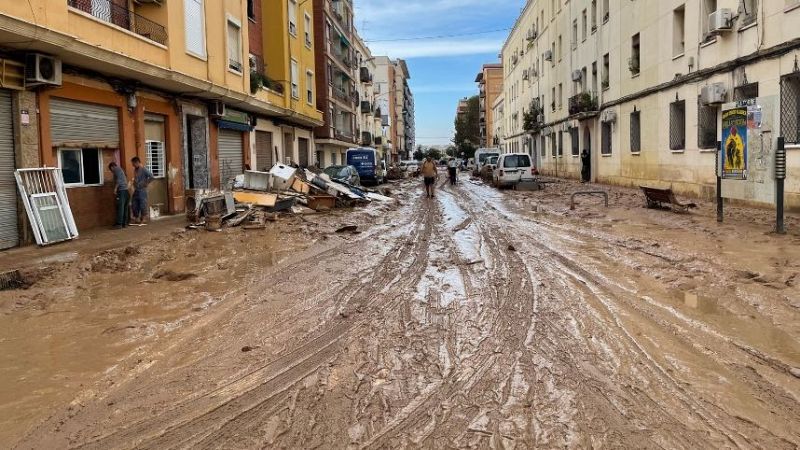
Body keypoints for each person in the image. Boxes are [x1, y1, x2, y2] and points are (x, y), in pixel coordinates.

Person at [130, 156, 154, 225]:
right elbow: (135, 179)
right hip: (136, 189)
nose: (132, 165)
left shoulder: (144, 169)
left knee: (143, 204)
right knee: (134, 204)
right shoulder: (135, 170)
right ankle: (136, 218)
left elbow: (152, 176)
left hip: (142, 190)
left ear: (137, 162)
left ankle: (144, 219)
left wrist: (146, 183)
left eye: (133, 164)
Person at [109, 161, 129, 229]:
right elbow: (125, 176)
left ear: (112, 167)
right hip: (126, 190)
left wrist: (115, 189)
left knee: (120, 207)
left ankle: (119, 224)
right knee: (125, 207)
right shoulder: (121, 169)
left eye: (111, 170)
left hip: (121, 191)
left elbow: (119, 180)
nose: (112, 172)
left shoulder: (116, 169)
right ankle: (124, 223)